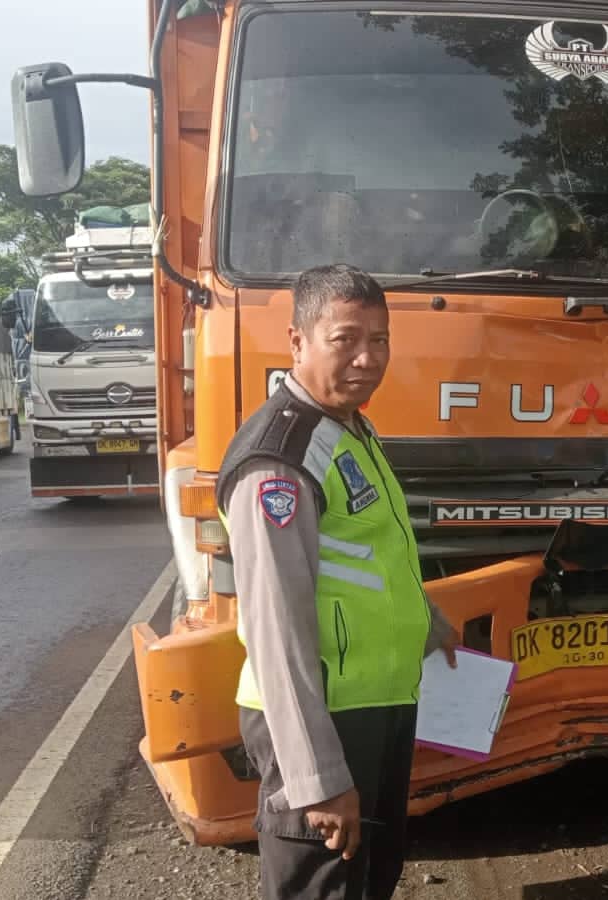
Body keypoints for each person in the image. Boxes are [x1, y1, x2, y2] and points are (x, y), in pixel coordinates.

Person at [215, 264, 461, 900]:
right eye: (345, 339)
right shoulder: (281, 459)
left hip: (371, 703)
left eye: (379, 340)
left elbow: (368, 555)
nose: (366, 358)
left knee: (370, 880)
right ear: (297, 341)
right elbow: (277, 629)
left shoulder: (344, 425)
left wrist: (426, 623)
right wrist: (316, 774)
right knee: (321, 889)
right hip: (319, 718)